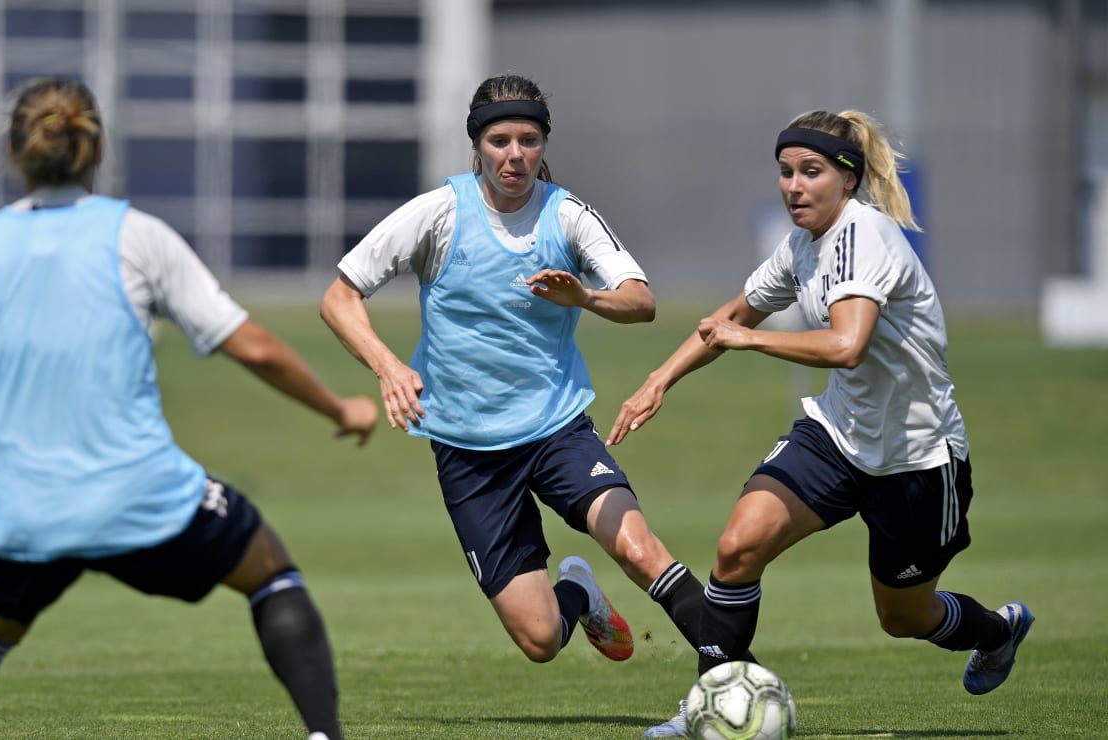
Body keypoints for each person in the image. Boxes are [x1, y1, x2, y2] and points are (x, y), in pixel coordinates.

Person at [0, 77, 377, 740]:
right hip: (137, 496)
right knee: (270, 571)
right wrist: (339, 408)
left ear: (12, 149)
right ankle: (325, 735)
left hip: (23, 509)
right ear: (96, 150)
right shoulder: (136, 235)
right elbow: (255, 348)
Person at [607, 109, 1034, 738]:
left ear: (848, 180)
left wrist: (745, 342)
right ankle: (710, 703)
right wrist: (658, 380)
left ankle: (997, 631)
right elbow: (733, 314)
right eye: (785, 172)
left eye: (811, 172)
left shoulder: (868, 237)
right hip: (837, 435)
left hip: (917, 459)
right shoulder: (802, 245)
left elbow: (846, 345)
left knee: (903, 617)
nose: (794, 187)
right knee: (737, 545)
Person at [320, 73, 752, 683]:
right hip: (469, 452)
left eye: (528, 139)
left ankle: (741, 681)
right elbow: (339, 298)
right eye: (500, 140)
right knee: (542, 638)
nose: (515, 154)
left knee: (636, 547)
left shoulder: (567, 214)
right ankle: (578, 593)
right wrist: (389, 367)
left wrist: (586, 297)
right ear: (478, 145)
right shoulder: (438, 212)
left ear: (544, 143)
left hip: (556, 429)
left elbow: (640, 299)